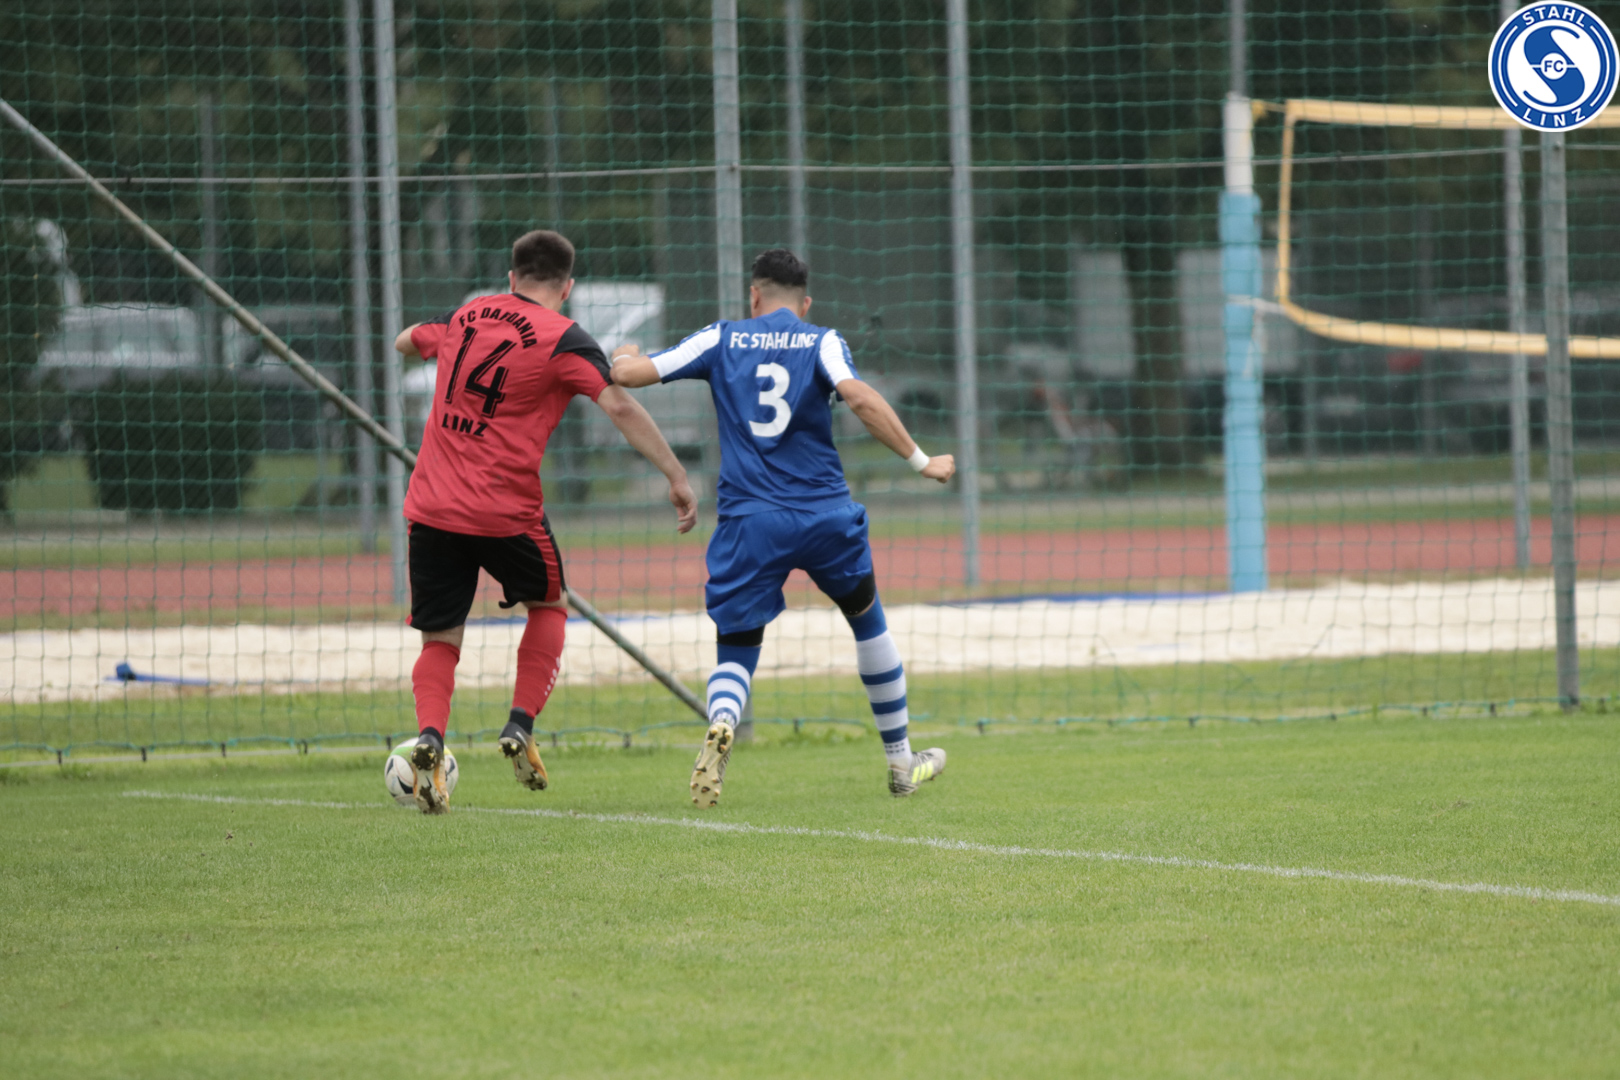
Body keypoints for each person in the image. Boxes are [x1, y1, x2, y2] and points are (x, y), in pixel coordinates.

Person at [610, 248, 955, 806]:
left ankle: (723, 719)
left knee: (737, 645)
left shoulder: (721, 338)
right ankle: (900, 762)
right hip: (824, 515)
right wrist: (922, 460)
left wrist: (624, 352)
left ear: (754, 295)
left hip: (750, 521)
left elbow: (628, 375)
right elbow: (859, 398)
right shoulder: (822, 341)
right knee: (868, 622)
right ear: (805, 302)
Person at [394, 229, 697, 814]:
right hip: (506, 513)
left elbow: (406, 340)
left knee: (441, 638)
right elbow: (618, 403)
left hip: (431, 508)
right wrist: (676, 475)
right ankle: (520, 723)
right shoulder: (565, 337)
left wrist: (446, 334)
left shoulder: (468, 314)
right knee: (550, 605)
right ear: (568, 286)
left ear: (512, 277)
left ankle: (429, 734)